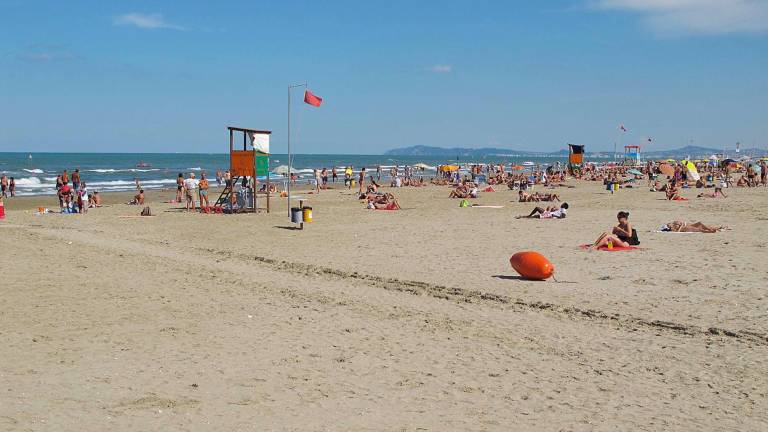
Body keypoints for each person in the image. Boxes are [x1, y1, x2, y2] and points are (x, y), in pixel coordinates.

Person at [661, 221, 727, 233]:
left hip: (689, 225)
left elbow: (681, 223)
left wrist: (680, 225)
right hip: (688, 227)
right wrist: (681, 226)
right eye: (668, 224)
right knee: (700, 227)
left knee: (702, 225)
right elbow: (678, 231)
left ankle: (718, 228)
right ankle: (715, 230)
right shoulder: (673, 228)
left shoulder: (674, 222)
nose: (669, 224)